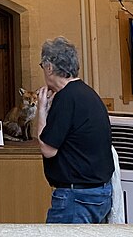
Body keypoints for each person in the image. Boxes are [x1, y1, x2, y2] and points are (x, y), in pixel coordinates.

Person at [35, 36, 114, 224]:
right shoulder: (87, 93)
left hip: (77, 196)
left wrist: (41, 109)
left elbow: (48, 149)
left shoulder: (66, 98)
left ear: (49, 67)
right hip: (97, 192)